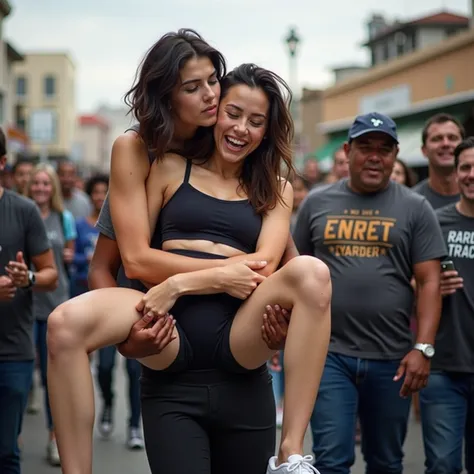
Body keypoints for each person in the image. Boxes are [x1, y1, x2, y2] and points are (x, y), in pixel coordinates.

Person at [47, 31, 326, 474]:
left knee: (313, 271)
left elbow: (270, 266)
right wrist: (128, 340)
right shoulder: (152, 158)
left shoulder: (274, 186)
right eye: (195, 88)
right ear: (167, 95)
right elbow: (127, 261)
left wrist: (193, 283)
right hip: (167, 329)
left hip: (236, 335)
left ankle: (292, 453)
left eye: (213, 82)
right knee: (63, 324)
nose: (212, 98)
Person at [293, 112, 446, 473]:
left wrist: (423, 348)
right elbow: (294, 274)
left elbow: (430, 282)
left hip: (392, 359)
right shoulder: (317, 203)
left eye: (384, 149)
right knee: (331, 460)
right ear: (347, 152)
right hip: (327, 354)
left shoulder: (415, 208)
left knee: (387, 462)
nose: (375, 157)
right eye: (365, 148)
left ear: (395, 156)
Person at [0, 127, 58, 474]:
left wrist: (29, 278)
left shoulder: (23, 211)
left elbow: (50, 274)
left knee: (6, 452)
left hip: (12, 353)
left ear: (2, 162)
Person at [74, 174, 145, 449]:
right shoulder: (111, 213)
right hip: (109, 302)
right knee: (104, 367)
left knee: (134, 370)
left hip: (140, 304)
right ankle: (108, 402)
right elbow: (98, 266)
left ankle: (133, 426)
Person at [420, 136, 474, 474]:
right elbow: (411, 282)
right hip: (443, 365)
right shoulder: (435, 223)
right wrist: (430, 287)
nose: (471, 174)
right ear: (456, 174)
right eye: (466, 167)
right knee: (442, 466)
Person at [25, 164, 76, 466]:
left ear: (53, 187)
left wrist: (70, 255)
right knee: (19, 373)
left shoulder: (64, 218)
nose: (41, 188)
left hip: (56, 304)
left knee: (51, 376)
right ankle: (11, 437)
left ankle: (54, 438)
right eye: (37, 183)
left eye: (46, 183)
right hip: (25, 305)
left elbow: (68, 258)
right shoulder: (20, 213)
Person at [412, 113, 465, 209]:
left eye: (452, 138)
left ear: (463, 147)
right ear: (424, 150)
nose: (446, 144)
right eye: (437, 139)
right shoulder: (410, 202)